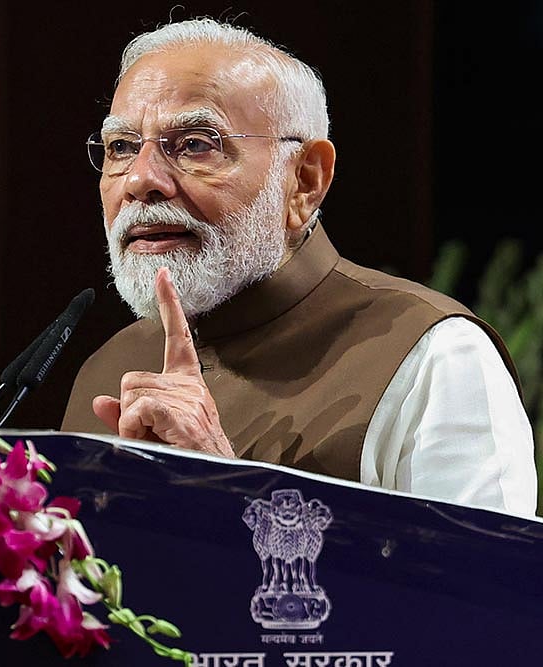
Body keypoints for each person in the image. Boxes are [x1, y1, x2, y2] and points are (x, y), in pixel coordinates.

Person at [60, 17, 538, 518]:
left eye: (196, 144)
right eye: (121, 148)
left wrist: (221, 486)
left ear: (305, 180)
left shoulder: (436, 357)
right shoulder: (108, 368)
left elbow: (481, 573)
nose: (140, 179)